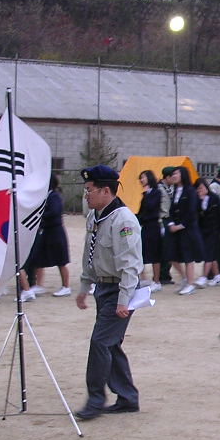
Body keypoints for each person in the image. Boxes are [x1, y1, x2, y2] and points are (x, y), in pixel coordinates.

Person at [74, 165, 143, 420]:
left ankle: (95, 399)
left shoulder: (123, 220)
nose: (86, 195)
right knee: (110, 344)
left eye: (89, 190)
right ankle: (127, 398)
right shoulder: (95, 216)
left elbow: (130, 265)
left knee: (100, 342)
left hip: (120, 289)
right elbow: (90, 254)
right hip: (103, 287)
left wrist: (123, 300)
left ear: (105, 190)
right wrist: (85, 286)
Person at [29, 174, 71, 297]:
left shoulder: (54, 196)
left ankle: (66, 286)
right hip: (46, 231)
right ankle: (39, 285)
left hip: (55, 231)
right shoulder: (45, 196)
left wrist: (39, 216)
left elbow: (54, 212)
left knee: (61, 260)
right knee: (39, 258)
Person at [165, 166, 204, 295]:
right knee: (172, 255)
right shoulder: (176, 190)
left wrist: (181, 225)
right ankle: (185, 278)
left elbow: (192, 211)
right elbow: (171, 210)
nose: (174, 176)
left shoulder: (190, 191)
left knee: (188, 257)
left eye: (176, 173)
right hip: (176, 229)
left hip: (188, 229)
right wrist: (171, 223)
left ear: (183, 174)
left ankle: (190, 284)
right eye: (173, 174)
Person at [136, 169, 168, 291]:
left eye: (143, 177)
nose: (141, 180)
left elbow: (151, 207)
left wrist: (146, 194)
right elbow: (141, 212)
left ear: (149, 178)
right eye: (140, 178)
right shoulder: (146, 194)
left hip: (154, 226)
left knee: (155, 254)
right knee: (141, 252)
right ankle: (143, 278)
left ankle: (156, 281)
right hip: (145, 226)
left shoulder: (156, 192)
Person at [195, 177, 220, 286]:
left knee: (208, 254)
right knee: (211, 255)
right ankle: (217, 276)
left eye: (201, 188)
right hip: (203, 231)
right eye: (198, 188)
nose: (200, 190)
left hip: (215, 230)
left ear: (206, 187)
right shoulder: (197, 200)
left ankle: (204, 277)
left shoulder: (214, 198)